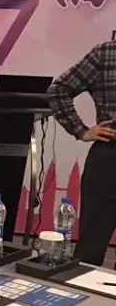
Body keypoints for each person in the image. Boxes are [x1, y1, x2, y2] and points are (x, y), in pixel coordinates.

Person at [47, 40, 116, 268]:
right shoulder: (106, 53)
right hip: (109, 159)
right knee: (92, 245)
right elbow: (59, 90)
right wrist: (81, 130)